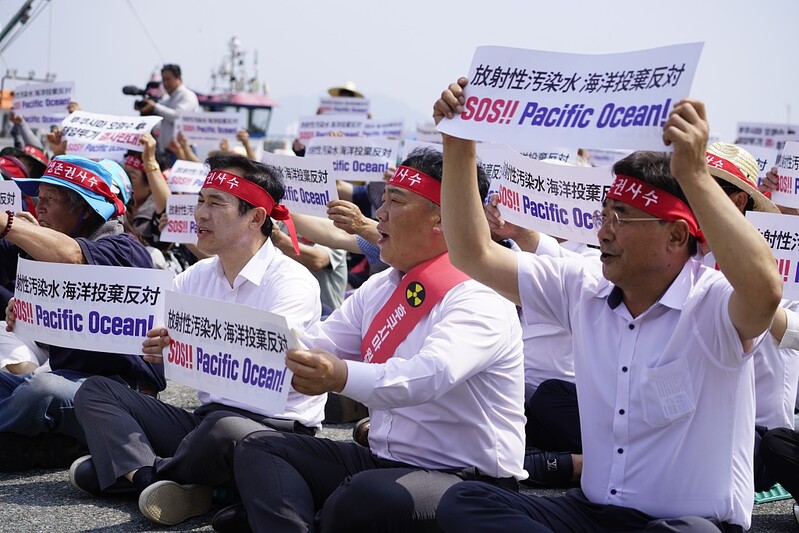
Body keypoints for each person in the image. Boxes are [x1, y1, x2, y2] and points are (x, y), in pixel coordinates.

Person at [433, 78, 781, 532]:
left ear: (676, 235)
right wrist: (458, 143)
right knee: (466, 502)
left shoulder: (714, 306)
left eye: (622, 218)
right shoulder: (583, 287)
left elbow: (766, 292)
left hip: (684, 524)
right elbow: (473, 253)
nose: (603, 231)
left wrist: (694, 173)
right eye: (604, 214)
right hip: (591, 514)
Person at [215, 148, 526, 532]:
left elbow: (428, 375)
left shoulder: (480, 294)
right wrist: (195, 340)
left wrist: (340, 377)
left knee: (366, 496)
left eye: (396, 201)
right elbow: (315, 344)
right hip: (382, 462)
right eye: (383, 200)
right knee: (259, 446)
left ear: (445, 218)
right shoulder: (381, 285)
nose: (379, 213)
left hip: (466, 482)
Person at [69, 153, 325, 527]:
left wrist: (195, 346)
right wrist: (25, 309)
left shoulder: (292, 282)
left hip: (272, 432)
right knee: (96, 392)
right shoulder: (197, 276)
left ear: (256, 218)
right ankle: (154, 482)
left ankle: (148, 475)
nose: (199, 214)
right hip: (204, 426)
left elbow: (271, 366)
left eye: (215, 204)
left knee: (222, 430)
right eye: (200, 201)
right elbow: (131, 322)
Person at [0, 155, 163, 471]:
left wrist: (10, 225)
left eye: (50, 200)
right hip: (63, 379)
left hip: (119, 396)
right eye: (39, 198)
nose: (39, 207)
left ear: (86, 210)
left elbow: (74, 258)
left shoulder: (123, 248)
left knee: (41, 391)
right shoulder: (54, 244)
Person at [139, 64, 199, 155]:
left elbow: (177, 116)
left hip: (185, 151)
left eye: (168, 79)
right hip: (167, 151)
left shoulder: (187, 95)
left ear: (178, 78)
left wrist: (155, 107)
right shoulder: (166, 98)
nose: (165, 83)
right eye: (163, 80)